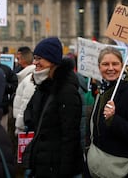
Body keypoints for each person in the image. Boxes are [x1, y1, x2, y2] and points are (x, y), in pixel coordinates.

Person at [86, 46, 128, 177]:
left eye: (115, 64)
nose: (110, 68)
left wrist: (114, 120)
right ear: (99, 67)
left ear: (122, 66)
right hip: (101, 166)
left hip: (123, 170)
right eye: (105, 64)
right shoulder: (103, 89)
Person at [23, 37, 83, 177]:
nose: (34, 62)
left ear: (52, 61)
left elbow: (70, 137)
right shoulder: (46, 85)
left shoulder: (66, 90)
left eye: (39, 59)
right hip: (45, 163)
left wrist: (64, 173)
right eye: (34, 58)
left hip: (56, 168)